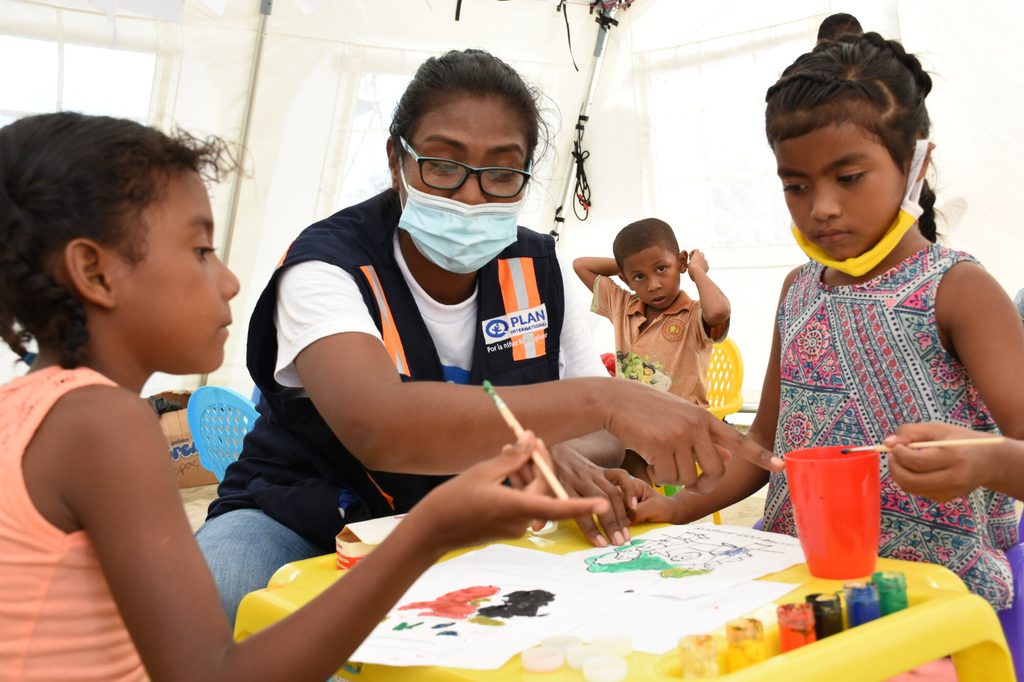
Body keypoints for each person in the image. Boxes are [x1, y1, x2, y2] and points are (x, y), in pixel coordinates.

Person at [0, 111, 609, 680]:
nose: (232, 280)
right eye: (201, 251)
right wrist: (429, 530)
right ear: (95, 272)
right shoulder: (104, 423)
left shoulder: (31, 408)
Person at [199, 48, 782, 622]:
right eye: (443, 164)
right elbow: (378, 426)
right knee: (218, 600)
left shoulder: (535, 264)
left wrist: (542, 453)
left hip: (471, 524)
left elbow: (602, 441)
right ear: (396, 159)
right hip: (303, 518)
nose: (472, 195)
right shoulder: (328, 266)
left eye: (502, 172)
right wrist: (603, 402)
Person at [632, 32, 1024, 610]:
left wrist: (983, 461)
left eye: (848, 177)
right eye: (796, 185)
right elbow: (763, 444)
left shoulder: (959, 290)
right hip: (802, 591)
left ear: (915, 164)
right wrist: (680, 506)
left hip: (933, 607)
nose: (821, 208)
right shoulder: (798, 291)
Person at [572, 217, 731, 406]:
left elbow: (719, 312)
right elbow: (580, 265)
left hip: (683, 425)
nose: (653, 285)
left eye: (661, 268)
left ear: (681, 262)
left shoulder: (693, 315)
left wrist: (696, 270)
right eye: (639, 277)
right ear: (626, 280)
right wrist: (628, 264)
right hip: (635, 422)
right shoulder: (622, 305)